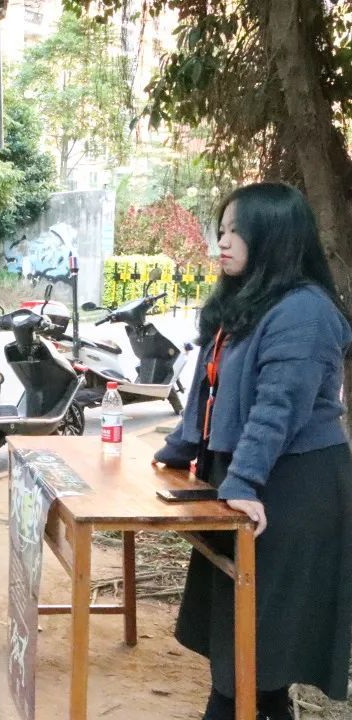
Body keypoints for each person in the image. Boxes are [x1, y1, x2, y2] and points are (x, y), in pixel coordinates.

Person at [152, 183, 352, 720]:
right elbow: (208, 387)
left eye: (237, 232)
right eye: (221, 230)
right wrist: (181, 449)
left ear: (274, 237)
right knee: (241, 642)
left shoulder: (304, 312)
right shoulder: (243, 302)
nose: (222, 241)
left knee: (257, 648)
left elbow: (277, 409)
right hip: (244, 477)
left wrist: (242, 481)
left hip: (292, 486)